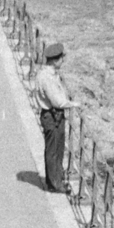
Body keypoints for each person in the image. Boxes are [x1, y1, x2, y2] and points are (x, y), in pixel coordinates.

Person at [34, 43, 75, 192]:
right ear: (54, 60)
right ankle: (55, 184)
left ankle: (57, 179)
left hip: (54, 115)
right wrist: (74, 104)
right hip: (52, 115)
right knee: (53, 150)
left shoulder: (49, 74)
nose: (62, 61)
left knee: (57, 149)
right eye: (61, 58)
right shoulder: (47, 77)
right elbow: (58, 101)